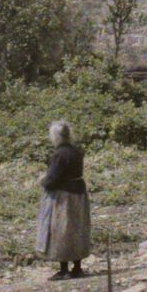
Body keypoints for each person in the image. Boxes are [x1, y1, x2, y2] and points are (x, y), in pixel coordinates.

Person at [36, 120, 91, 280]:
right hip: (79, 195)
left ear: (56, 136)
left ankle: (64, 270)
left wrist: (43, 181)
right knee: (77, 229)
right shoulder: (76, 151)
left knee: (61, 231)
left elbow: (53, 179)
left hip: (64, 197)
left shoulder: (59, 154)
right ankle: (77, 268)